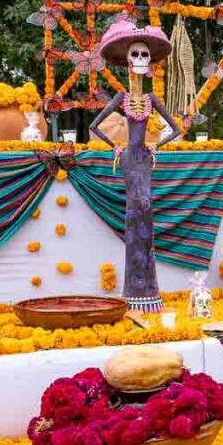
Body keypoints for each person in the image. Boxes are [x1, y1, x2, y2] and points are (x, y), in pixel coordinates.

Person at [89, 19, 183, 313]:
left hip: (144, 158)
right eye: (135, 54)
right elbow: (95, 125)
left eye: (144, 54)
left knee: (146, 213)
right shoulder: (122, 97)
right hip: (130, 159)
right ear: (127, 61)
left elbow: (175, 129)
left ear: (150, 60)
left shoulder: (152, 98)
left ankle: (148, 291)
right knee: (135, 215)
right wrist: (116, 146)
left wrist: (157, 145)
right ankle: (134, 292)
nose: (140, 60)